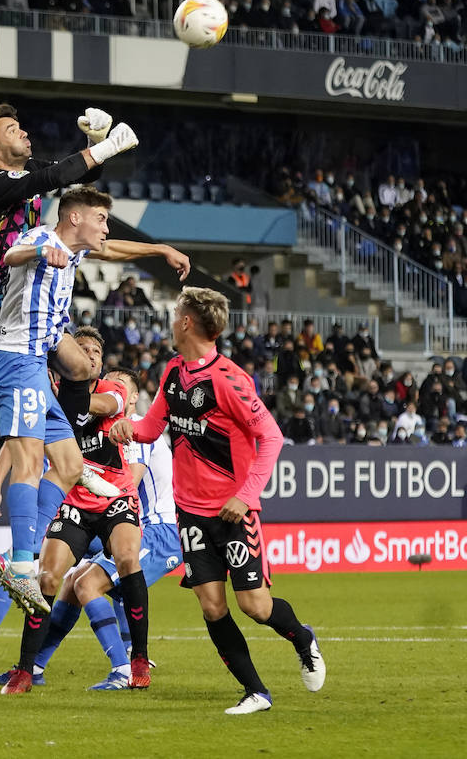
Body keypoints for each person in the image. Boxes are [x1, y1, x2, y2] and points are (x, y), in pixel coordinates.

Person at [0, 103, 188, 544]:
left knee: (83, 367)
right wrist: (106, 146)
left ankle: (74, 458)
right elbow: (53, 180)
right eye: (13, 129)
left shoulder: (29, 180)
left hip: (30, 312)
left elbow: (80, 184)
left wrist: (92, 149)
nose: (24, 132)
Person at [110, 287, 325, 715]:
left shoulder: (229, 380)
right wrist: (125, 430)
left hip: (233, 511)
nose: (171, 322)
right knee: (212, 606)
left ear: (187, 322)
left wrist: (245, 497)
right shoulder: (173, 371)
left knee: (255, 606)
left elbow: (272, 436)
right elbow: (152, 429)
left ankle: (303, 638)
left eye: (175, 315)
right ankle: (256, 692)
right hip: (190, 512)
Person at [0, 186, 153, 622]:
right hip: (16, 361)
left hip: (37, 366)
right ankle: (20, 566)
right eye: (101, 219)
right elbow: (13, 254)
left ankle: (22, 556)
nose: (105, 228)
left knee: (70, 465)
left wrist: (161, 249)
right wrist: (39, 256)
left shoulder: (73, 253)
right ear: (75, 218)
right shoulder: (44, 240)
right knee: (31, 463)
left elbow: (112, 251)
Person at [23, 362, 183, 691]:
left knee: (88, 586)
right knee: (70, 583)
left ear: (133, 396)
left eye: (118, 385)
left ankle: (125, 668)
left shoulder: (136, 428)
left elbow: (127, 485)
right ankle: (35, 666)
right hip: (140, 523)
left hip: (158, 530)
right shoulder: (107, 428)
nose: (111, 389)